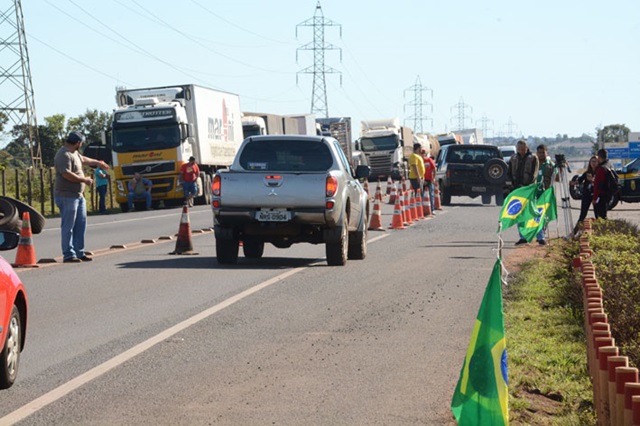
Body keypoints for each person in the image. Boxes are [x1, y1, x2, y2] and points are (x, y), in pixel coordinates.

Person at [54, 131, 110, 263]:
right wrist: (84, 180)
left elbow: (83, 159)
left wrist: (98, 163)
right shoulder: (63, 154)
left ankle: (79, 252)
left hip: (78, 196)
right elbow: (66, 174)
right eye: (82, 143)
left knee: (81, 224)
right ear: (78, 143)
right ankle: (68, 254)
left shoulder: (74, 153)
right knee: (68, 226)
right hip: (67, 195)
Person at [507, 139, 539, 245]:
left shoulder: (533, 158)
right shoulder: (513, 158)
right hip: (517, 190)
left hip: (528, 189)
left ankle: (538, 235)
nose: (520, 151)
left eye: (522, 149)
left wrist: (527, 186)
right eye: (518, 149)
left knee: (531, 212)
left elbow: (534, 174)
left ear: (527, 148)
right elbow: (509, 172)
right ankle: (522, 236)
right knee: (519, 214)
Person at [534, 144, 555, 245]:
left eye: (543, 152)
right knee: (536, 215)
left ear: (546, 152)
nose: (541, 154)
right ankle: (539, 235)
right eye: (539, 152)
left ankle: (541, 233)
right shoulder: (533, 163)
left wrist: (560, 168)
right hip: (534, 193)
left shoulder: (550, 164)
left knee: (544, 215)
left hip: (545, 193)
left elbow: (558, 178)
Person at [571, 155, 598, 232]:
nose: (593, 163)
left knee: (598, 215)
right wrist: (573, 183)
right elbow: (579, 180)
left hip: (596, 196)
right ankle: (574, 232)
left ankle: (600, 232)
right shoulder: (587, 173)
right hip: (586, 195)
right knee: (582, 215)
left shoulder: (599, 172)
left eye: (595, 161)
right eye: (592, 161)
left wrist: (592, 180)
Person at [592, 148, 611, 220]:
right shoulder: (609, 165)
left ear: (599, 157)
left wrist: (594, 198)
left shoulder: (602, 169)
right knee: (604, 215)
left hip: (601, 195)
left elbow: (598, 185)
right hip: (608, 194)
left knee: (601, 217)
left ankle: (603, 230)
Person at [422, 148, 436, 213]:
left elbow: (434, 169)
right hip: (422, 180)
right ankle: (422, 210)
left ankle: (432, 209)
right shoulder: (419, 161)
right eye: (421, 153)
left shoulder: (429, 160)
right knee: (422, 195)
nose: (422, 155)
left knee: (431, 194)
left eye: (423, 153)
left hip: (429, 179)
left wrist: (433, 178)